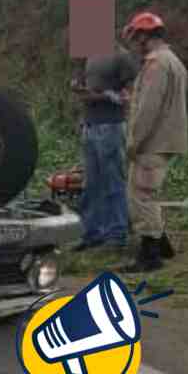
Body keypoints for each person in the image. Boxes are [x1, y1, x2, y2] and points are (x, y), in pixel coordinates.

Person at [121, 11, 188, 272]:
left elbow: (148, 109)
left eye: (136, 38)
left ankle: (149, 256)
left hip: (152, 141)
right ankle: (162, 245)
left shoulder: (156, 64)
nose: (135, 45)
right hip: (165, 139)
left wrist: (133, 142)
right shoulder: (173, 61)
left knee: (140, 196)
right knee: (148, 193)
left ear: (144, 37)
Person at [72, 47, 139, 252]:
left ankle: (117, 235)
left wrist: (107, 96)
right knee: (91, 183)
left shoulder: (122, 57)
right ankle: (91, 233)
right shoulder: (91, 56)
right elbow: (87, 87)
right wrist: (80, 89)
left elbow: (131, 94)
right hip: (91, 125)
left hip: (111, 125)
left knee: (113, 181)